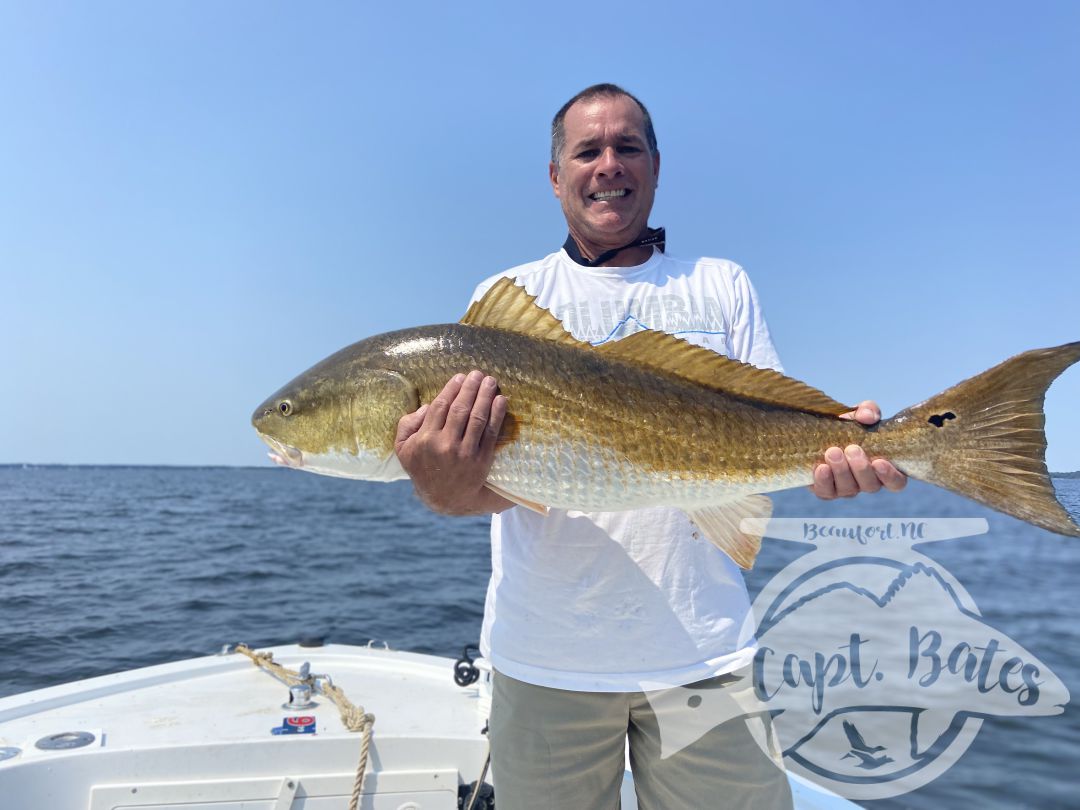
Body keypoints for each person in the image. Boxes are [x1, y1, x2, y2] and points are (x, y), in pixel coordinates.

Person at [395, 84, 906, 809]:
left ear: (656, 168)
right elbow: (471, 488)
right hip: (545, 665)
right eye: (587, 150)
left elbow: (780, 422)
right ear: (554, 176)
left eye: (627, 148)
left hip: (705, 655)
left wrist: (843, 448)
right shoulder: (503, 298)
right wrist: (440, 488)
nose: (609, 164)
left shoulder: (720, 286)